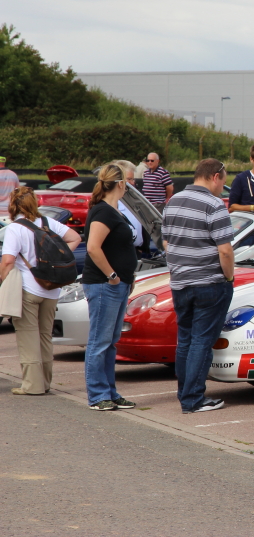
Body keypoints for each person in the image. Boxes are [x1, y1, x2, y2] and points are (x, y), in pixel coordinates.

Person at [163, 158, 235, 414]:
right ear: (215, 176)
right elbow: (225, 251)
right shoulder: (214, 205)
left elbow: (167, 242)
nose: (222, 187)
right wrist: (229, 278)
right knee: (202, 342)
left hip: (180, 282)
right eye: (223, 181)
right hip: (209, 282)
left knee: (185, 340)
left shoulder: (173, 202)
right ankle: (193, 399)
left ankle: (185, 394)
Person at [1, 187, 81, 396]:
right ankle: (45, 382)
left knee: (28, 337)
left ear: (13, 205)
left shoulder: (15, 229)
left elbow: (8, 261)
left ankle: (32, 385)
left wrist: (2, 280)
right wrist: (57, 259)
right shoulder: (48, 223)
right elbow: (75, 238)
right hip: (51, 289)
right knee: (45, 336)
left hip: (28, 289)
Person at [82, 163, 139, 411]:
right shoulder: (104, 212)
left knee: (110, 342)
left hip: (118, 284)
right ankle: (97, 395)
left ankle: (109, 392)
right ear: (121, 183)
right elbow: (93, 247)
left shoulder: (114, 211)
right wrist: (112, 275)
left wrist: (125, 277)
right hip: (104, 285)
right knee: (99, 342)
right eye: (129, 181)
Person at [114, 160, 149, 258]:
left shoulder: (134, 198)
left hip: (135, 252)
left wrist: (142, 247)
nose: (132, 183)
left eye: (133, 179)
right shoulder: (110, 203)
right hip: (120, 254)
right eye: (129, 179)